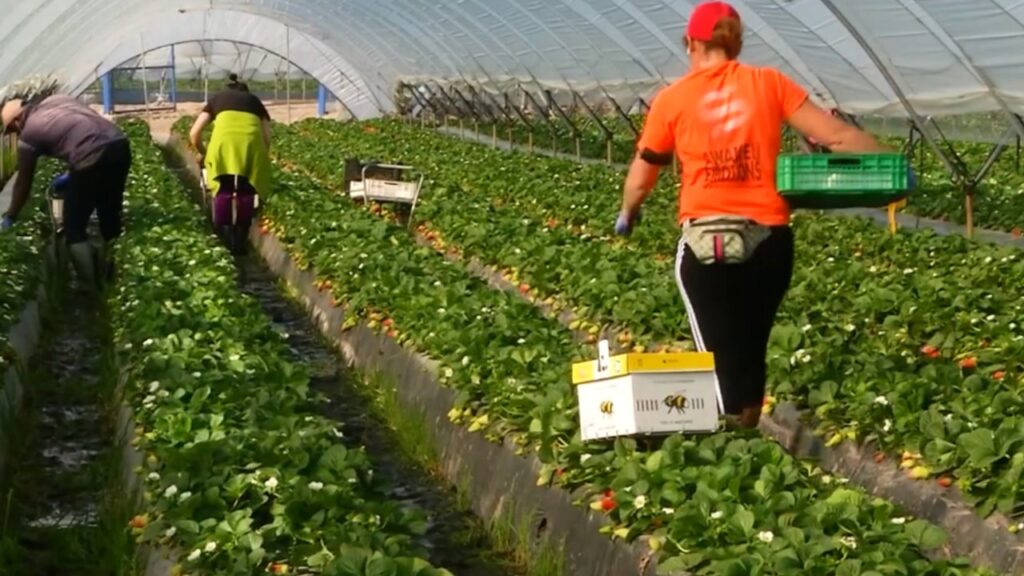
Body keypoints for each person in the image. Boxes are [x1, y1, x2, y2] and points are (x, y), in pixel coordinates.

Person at [616, 1, 900, 429]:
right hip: (769, 242)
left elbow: (644, 170)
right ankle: (745, 442)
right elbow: (837, 136)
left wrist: (627, 212)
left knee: (715, 360)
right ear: (736, 42)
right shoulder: (769, 84)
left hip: (706, 242)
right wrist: (892, 170)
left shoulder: (673, 99)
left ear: (690, 43)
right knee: (750, 349)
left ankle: (726, 456)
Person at [0, 75, 131, 289]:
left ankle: (88, 285)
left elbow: (23, 182)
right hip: (119, 146)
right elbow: (79, 131)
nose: (17, 134)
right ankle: (114, 277)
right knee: (109, 214)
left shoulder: (30, 132)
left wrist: (11, 216)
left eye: (13, 130)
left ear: (17, 120)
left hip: (91, 157)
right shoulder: (57, 101)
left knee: (73, 226)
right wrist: (73, 173)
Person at [188, 73, 271, 254]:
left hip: (222, 147)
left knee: (223, 188)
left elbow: (194, 134)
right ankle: (240, 241)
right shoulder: (255, 102)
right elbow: (266, 137)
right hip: (250, 147)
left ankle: (224, 237)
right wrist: (259, 155)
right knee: (245, 190)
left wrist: (204, 153)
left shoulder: (217, 100)